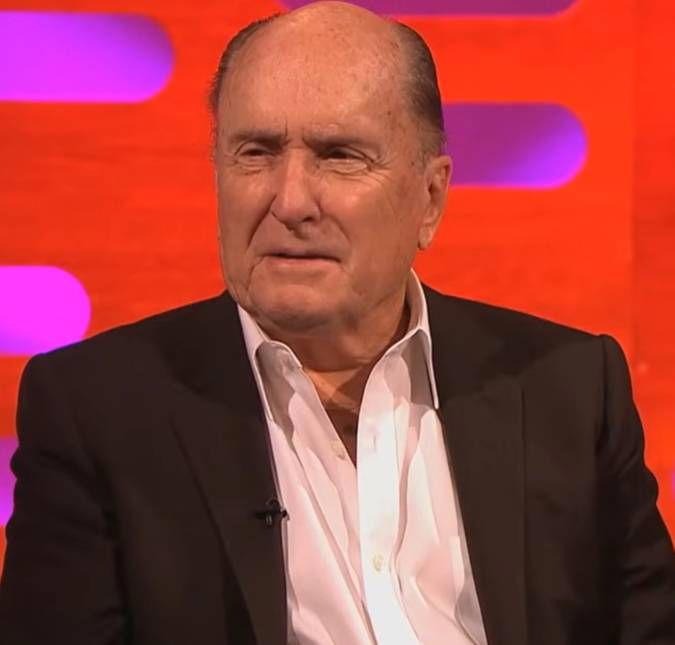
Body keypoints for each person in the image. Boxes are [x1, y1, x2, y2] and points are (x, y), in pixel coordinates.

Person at [0, 1, 673, 643]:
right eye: (255, 152)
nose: (290, 200)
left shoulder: (569, 389)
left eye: (339, 155)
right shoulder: (98, 412)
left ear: (430, 198)